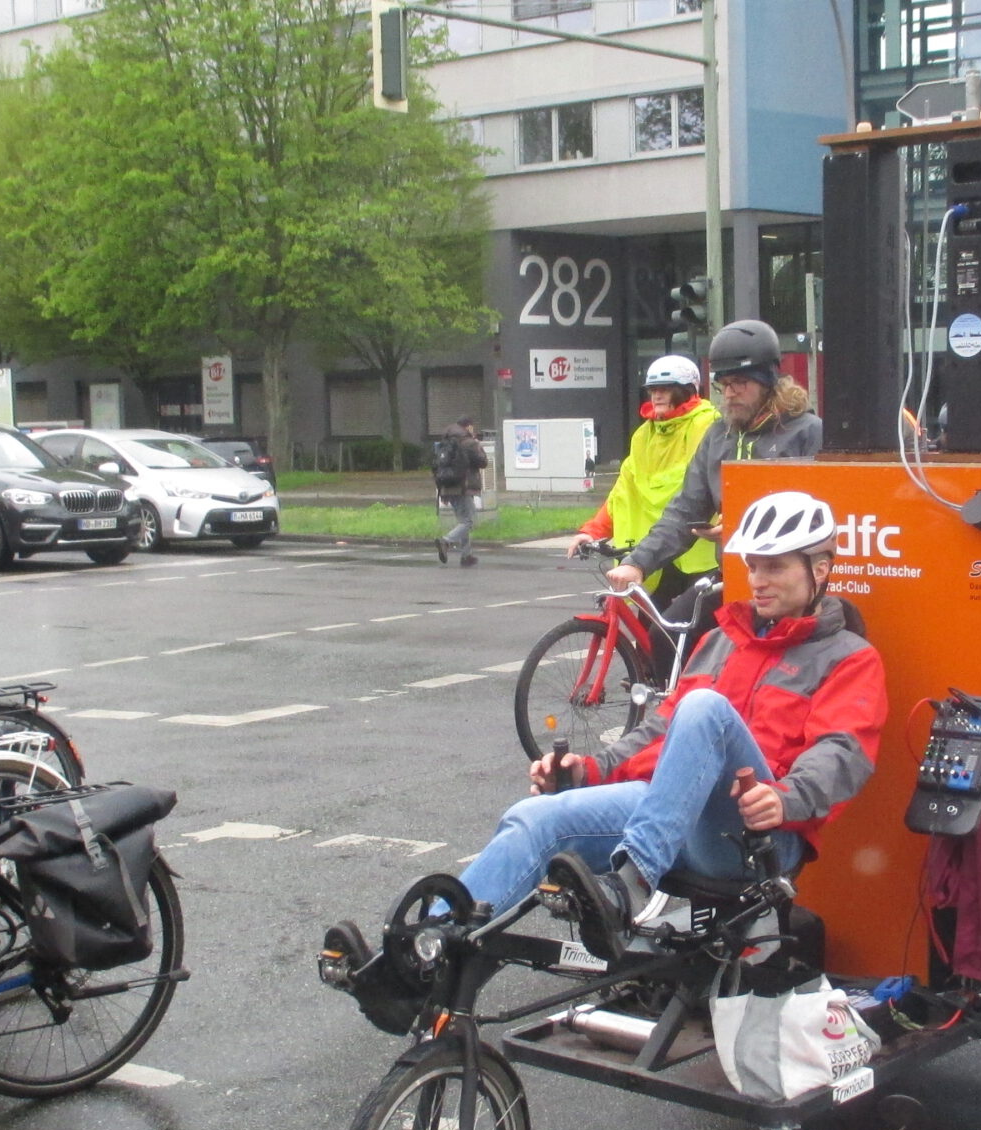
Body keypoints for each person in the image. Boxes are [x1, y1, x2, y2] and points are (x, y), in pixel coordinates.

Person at [321, 490, 888, 1032]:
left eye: (777, 567)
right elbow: (660, 729)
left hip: (751, 836)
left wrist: (786, 798)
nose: (759, 581)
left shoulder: (849, 658)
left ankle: (632, 885)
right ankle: (422, 966)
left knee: (706, 710)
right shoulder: (723, 641)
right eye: (754, 566)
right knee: (537, 818)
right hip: (667, 815)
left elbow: (843, 754)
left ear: (821, 569)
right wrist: (588, 772)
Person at [606, 319, 824, 593]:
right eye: (724, 384)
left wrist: (740, 526)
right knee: (664, 632)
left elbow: (824, 515)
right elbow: (686, 508)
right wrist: (637, 563)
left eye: (740, 382)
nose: (730, 393)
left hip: (790, 584)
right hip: (730, 575)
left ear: (768, 380)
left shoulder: (807, 431)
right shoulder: (719, 435)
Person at [567, 354, 720, 604]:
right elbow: (625, 490)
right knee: (651, 637)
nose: (657, 396)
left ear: (686, 390)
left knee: (701, 635)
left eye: (666, 389)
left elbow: (703, 486)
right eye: (653, 390)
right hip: (655, 555)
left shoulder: (709, 425)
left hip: (700, 556)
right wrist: (593, 531)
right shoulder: (644, 435)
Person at [432, 416, 490, 567]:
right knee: (469, 521)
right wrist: (477, 442)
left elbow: (437, 467)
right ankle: (446, 541)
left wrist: (442, 491)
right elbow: (483, 461)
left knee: (463, 520)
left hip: (447, 486)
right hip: (463, 487)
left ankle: (466, 556)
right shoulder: (469, 442)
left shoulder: (445, 442)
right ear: (468, 427)